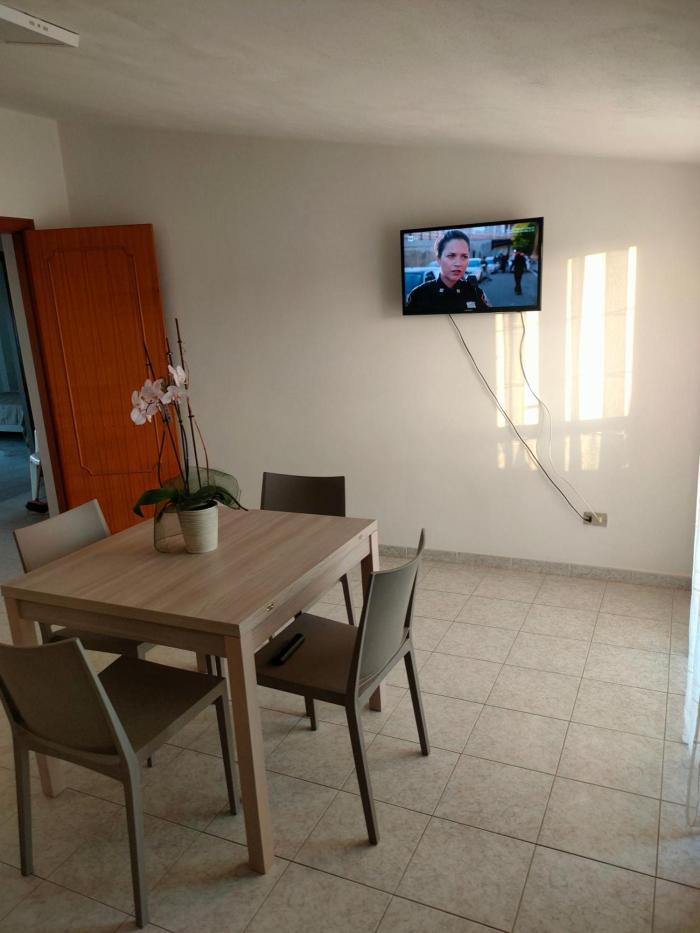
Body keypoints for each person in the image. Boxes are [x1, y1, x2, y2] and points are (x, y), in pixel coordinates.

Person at [406, 229, 491, 313]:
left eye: (464, 256)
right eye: (451, 256)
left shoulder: (475, 293)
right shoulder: (419, 295)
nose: (458, 263)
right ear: (438, 259)